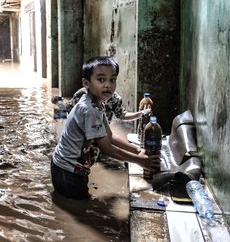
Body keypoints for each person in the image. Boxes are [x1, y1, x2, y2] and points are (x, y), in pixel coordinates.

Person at [50, 56, 160, 199]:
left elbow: (110, 136)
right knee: (82, 209)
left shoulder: (99, 103)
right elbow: (106, 149)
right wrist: (140, 161)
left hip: (65, 167)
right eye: (101, 80)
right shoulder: (89, 109)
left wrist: (137, 149)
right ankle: (58, 102)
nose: (108, 85)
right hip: (67, 171)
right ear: (86, 83)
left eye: (112, 79)